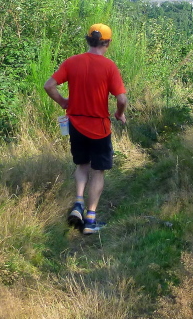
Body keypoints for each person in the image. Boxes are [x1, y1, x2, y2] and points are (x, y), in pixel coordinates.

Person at [44, 23, 127, 235]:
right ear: (108, 42)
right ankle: (90, 220)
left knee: (82, 165)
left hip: (75, 125)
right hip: (99, 127)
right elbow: (122, 99)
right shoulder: (109, 66)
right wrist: (119, 113)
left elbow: (49, 85)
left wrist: (63, 102)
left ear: (88, 40)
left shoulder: (72, 62)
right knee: (98, 171)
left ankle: (78, 202)